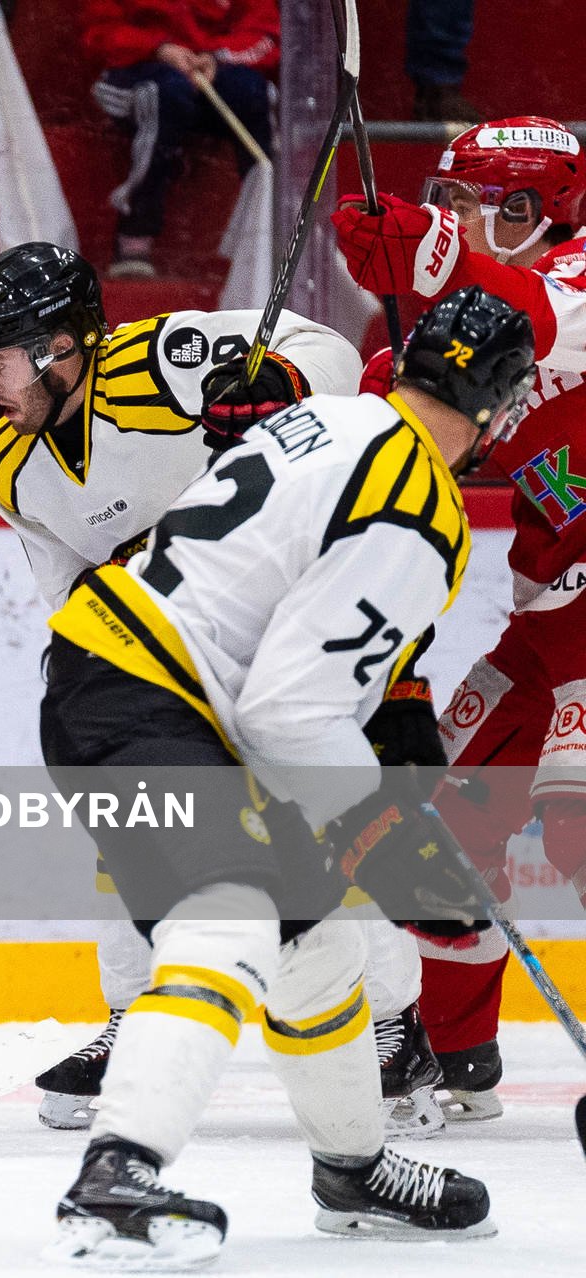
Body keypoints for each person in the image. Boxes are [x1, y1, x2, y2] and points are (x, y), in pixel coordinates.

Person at [38, 286, 532, 1267]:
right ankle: (115, 1175)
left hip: (126, 674)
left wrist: (396, 810)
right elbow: (292, 712)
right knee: (231, 912)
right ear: (499, 405)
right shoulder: (419, 508)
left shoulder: (337, 418)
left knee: (315, 944)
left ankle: (354, 1170)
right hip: (156, 696)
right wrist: (397, 852)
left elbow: (333, 682)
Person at [0, 242, 443, 1135]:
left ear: (65, 348)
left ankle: (393, 1026)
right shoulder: (10, 463)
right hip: (162, 648)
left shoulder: (159, 362)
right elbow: (66, 580)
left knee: (325, 815)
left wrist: (283, 383)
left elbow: (332, 352)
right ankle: (133, 1017)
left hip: (274, 624)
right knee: (136, 825)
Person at [333, 116, 586, 1119]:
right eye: (457, 202)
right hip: (552, 620)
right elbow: (401, 435)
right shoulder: (465, 312)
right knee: (445, 827)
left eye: (492, 206)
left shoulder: (567, 283)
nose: (469, 221)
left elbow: (537, 317)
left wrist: (434, 262)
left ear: (546, 212)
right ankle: (454, 1058)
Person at [81, 0, 279, 277]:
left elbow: (266, 31)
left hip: (211, 64)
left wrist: (216, 57)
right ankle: (135, 233)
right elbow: (100, 31)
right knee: (164, 96)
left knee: (256, 93)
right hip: (138, 67)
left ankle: (267, 230)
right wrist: (158, 49)